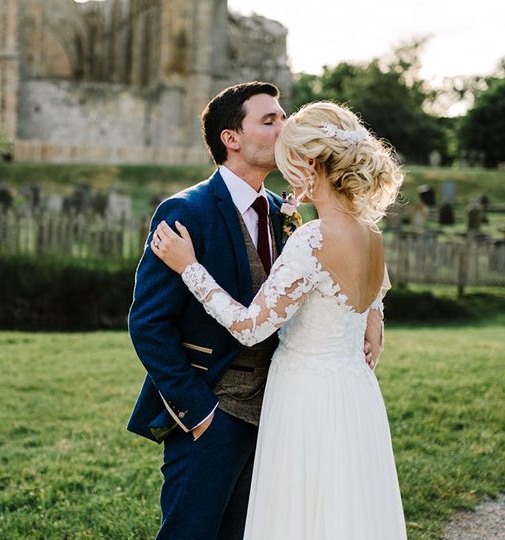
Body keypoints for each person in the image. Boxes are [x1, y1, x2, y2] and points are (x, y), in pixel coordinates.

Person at [127, 85, 384, 540]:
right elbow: (147, 323)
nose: (283, 127)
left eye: (284, 117)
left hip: (284, 414)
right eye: (269, 120)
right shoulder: (187, 210)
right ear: (232, 138)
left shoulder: (291, 215)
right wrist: (200, 411)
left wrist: (367, 316)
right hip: (214, 415)